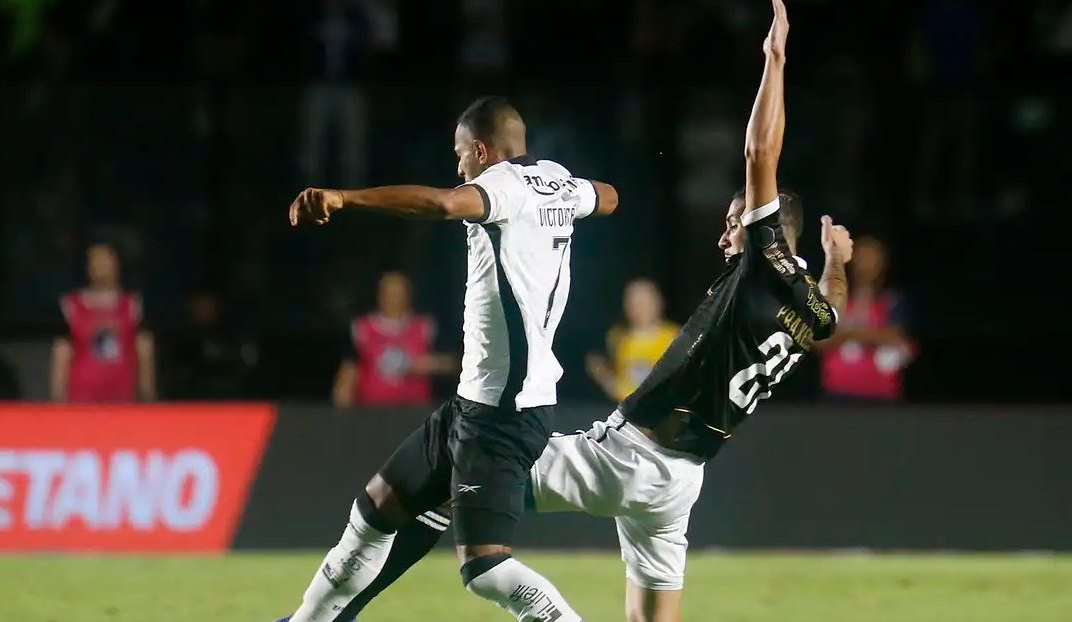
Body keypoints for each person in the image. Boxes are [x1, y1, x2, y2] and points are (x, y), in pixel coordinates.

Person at [320, 3, 852, 621]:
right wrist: (833, 259)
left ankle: (337, 609)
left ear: (766, 229)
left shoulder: (764, 258)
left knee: (464, 463)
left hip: (626, 458)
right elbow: (831, 315)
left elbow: (762, 153)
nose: (727, 234)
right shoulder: (807, 301)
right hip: (681, 482)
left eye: (736, 221)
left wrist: (775, 62)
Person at [281, 96, 619, 622]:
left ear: (482, 151)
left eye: (461, 155)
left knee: (486, 571)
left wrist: (344, 198)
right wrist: (578, 194)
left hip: (505, 413)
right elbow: (610, 197)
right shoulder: (556, 179)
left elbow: (442, 204)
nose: (458, 167)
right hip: (473, 403)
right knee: (373, 511)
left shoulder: (500, 187)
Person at [50, 242, 156, 403]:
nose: (101, 267)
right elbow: (62, 352)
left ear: (117, 265)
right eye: (96, 261)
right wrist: (57, 398)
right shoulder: (70, 306)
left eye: (106, 261)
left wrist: (148, 395)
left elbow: (144, 349)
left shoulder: (134, 306)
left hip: (122, 395)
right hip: (81, 397)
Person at [333, 271, 454, 408]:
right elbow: (349, 371)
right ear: (380, 295)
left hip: (416, 412)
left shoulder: (426, 328)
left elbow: (450, 364)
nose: (394, 298)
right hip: (372, 412)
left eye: (399, 293)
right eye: (390, 293)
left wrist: (422, 365)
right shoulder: (362, 329)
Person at [816, 236, 915, 401]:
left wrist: (847, 332)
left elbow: (892, 336)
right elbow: (819, 341)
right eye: (861, 257)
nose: (866, 265)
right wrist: (862, 334)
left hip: (880, 394)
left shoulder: (892, 300)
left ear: (883, 263)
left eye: (872, 258)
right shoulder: (833, 297)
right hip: (837, 393)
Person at [586, 278, 679, 401]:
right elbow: (615, 382)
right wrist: (602, 375)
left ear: (659, 303)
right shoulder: (616, 337)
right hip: (623, 412)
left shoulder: (675, 337)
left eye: (644, 303)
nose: (639, 309)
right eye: (633, 303)